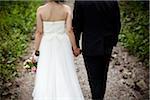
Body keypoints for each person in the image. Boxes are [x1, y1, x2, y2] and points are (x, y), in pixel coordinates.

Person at [32, 0, 84, 99]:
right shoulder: (66, 9)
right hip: (62, 43)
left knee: (47, 70)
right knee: (64, 68)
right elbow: (69, 30)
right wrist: (75, 47)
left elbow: (39, 32)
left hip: (47, 43)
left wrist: (36, 51)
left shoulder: (41, 10)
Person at [72, 0, 121, 100]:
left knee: (93, 77)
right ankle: (99, 97)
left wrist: (75, 45)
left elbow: (77, 25)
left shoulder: (81, 2)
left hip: (90, 44)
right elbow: (117, 24)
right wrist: (113, 41)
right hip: (106, 44)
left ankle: (96, 97)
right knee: (103, 75)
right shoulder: (112, 1)